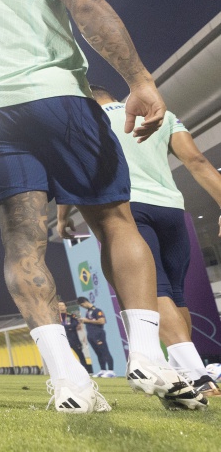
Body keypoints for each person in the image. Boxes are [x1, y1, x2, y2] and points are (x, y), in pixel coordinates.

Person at [0, 0, 203, 411]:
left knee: (21, 243)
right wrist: (140, 80)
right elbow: (89, 8)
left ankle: (68, 379)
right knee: (115, 221)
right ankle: (144, 353)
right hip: (59, 99)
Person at [59, 85, 221, 396]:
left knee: (153, 292)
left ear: (87, 100)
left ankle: (198, 375)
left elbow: (72, 173)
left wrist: (62, 216)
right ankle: (182, 368)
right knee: (176, 295)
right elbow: (197, 161)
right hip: (172, 209)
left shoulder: (87, 121)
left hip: (127, 209)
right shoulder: (161, 114)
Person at [76, 297, 115, 377]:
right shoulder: (88, 312)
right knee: (98, 353)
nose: (82, 307)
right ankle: (103, 370)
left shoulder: (97, 311)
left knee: (105, 352)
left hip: (98, 334)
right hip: (91, 335)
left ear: (84, 303)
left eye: (82, 305)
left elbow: (102, 321)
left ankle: (111, 371)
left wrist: (87, 321)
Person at [57, 302, 92, 374]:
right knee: (63, 357)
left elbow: (75, 324)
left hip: (73, 338)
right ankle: (67, 372)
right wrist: (66, 327)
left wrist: (64, 327)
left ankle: (85, 371)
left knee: (80, 355)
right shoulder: (56, 317)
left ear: (66, 307)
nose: (61, 307)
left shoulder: (71, 316)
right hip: (61, 339)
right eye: (59, 306)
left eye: (62, 305)